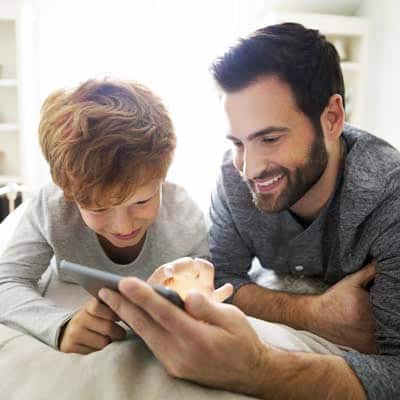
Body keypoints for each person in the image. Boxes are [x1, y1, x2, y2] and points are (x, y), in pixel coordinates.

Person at [99, 23, 400, 400]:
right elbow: (223, 274)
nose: (250, 168)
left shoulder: (390, 196)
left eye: (270, 139)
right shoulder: (232, 175)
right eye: (238, 142)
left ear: (332, 119)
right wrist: (315, 313)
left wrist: (257, 369)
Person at [0, 79, 232, 355]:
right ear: (69, 193)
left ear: (162, 178)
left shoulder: (186, 220)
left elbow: (206, 285)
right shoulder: (50, 206)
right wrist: (61, 325)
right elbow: (8, 280)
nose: (123, 226)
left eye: (142, 201)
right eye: (98, 208)